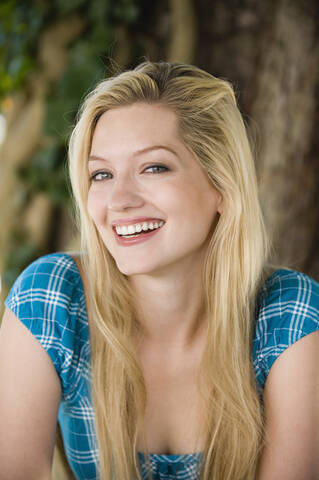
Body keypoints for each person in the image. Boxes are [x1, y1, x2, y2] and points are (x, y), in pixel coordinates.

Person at [0, 60, 318, 480]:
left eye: (154, 167)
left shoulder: (291, 316)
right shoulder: (52, 298)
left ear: (222, 185)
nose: (119, 200)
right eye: (101, 174)